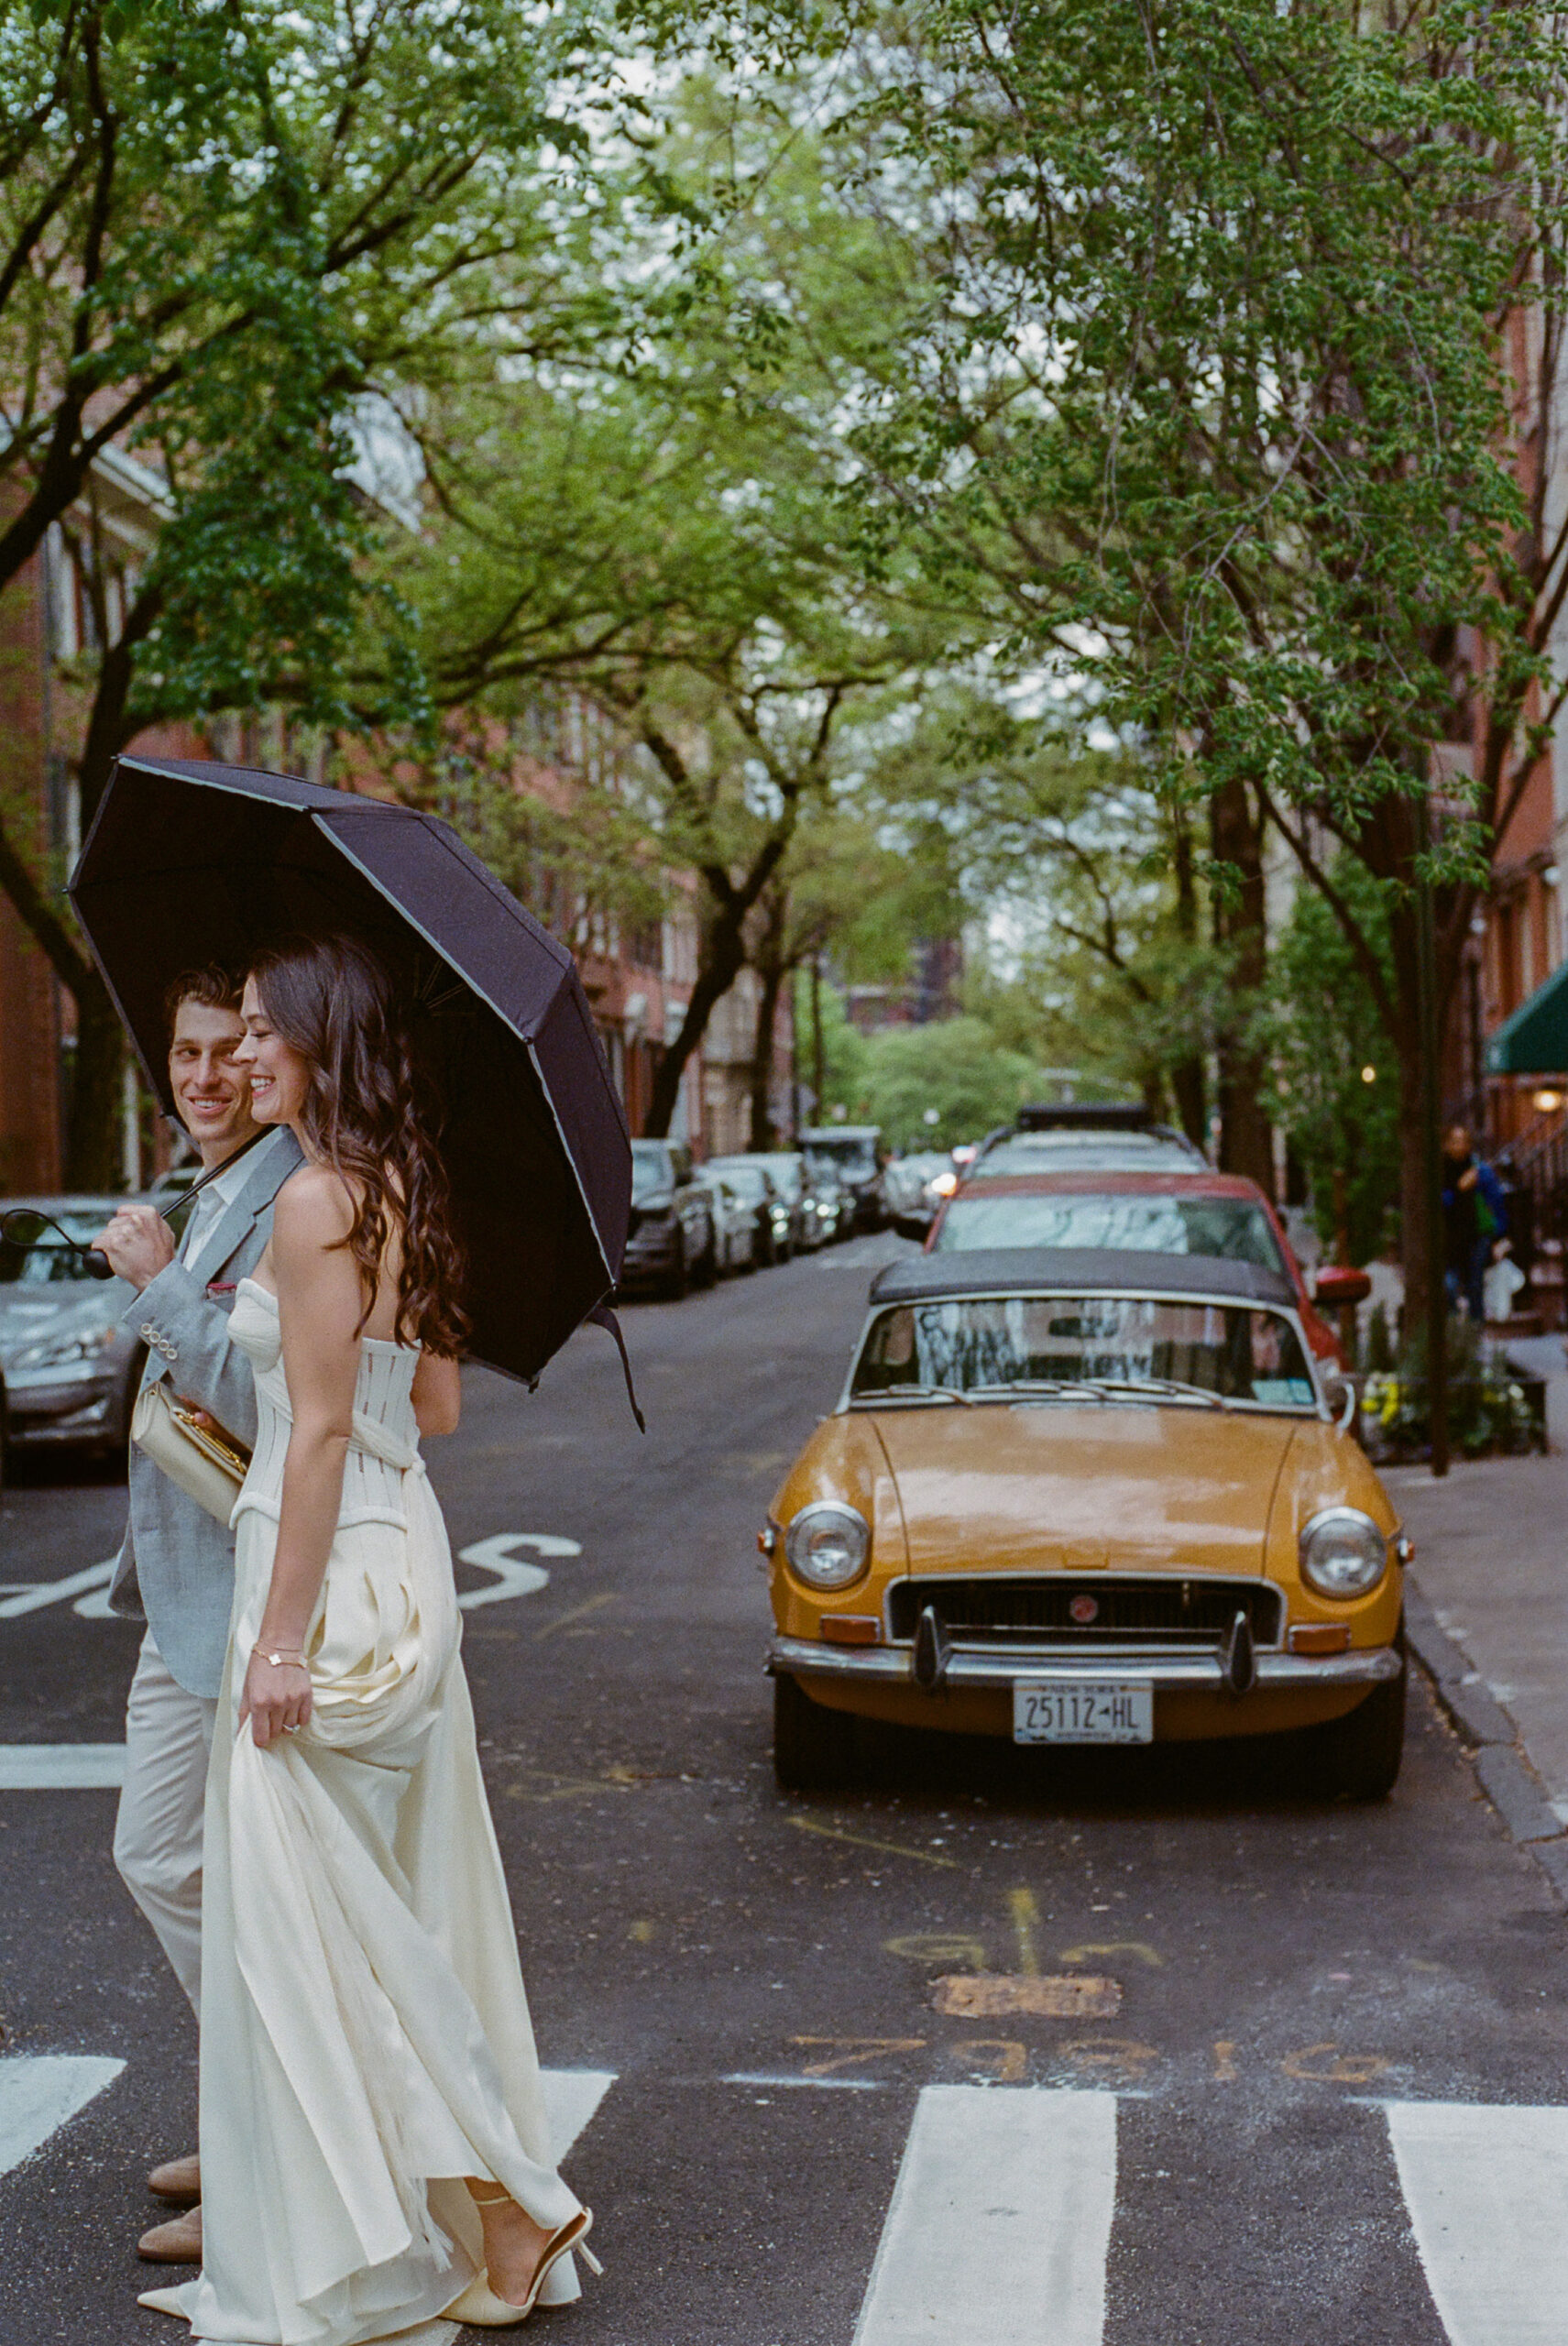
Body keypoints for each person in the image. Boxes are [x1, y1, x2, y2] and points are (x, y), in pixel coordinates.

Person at [140, 934, 597, 2346]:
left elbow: (323, 1431)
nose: (245, 1054)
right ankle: (426, 2203)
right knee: (365, 1910)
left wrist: (274, 1641)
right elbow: (427, 1413)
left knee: (307, 1932)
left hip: (326, 1573)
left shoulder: (315, 1204)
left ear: (324, 1045)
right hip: (402, 1553)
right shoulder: (402, 1194)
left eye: (268, 1034)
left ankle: (505, 2201)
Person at [93, 969, 303, 2266]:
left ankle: (273, 2147)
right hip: (180, 1592)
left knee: (234, 1880)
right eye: (186, 1051)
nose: (207, 1074)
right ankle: (249, 2118)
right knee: (161, 1855)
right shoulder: (205, 1187)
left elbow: (277, 1399)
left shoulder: (294, 1193)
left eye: (232, 1051)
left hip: (248, 1589)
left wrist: (165, 1285)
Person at [1441, 1124, 1508, 1324]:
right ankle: (1453, 1327)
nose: (1459, 1146)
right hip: (1449, 1237)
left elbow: (1496, 1204)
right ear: (1446, 1145)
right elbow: (1439, 1204)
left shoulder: (1481, 1172)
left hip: (1477, 1235)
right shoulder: (1440, 1172)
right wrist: (1459, 1189)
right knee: (1449, 1284)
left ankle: (1475, 1331)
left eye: (1464, 1141)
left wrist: (1499, 1236)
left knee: (1475, 1284)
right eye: (1455, 1141)